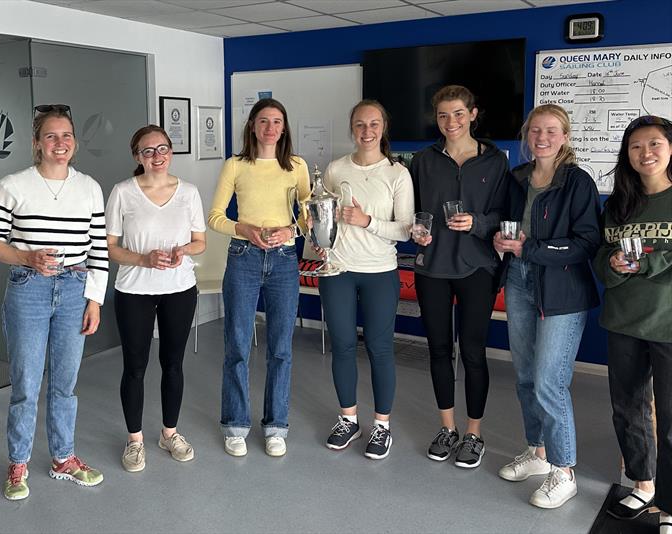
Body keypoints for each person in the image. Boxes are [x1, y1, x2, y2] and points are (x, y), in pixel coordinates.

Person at [0, 104, 108, 500]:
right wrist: (26, 257)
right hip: (28, 287)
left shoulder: (89, 187)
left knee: (65, 384)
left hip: (74, 289)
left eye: (66, 135)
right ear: (36, 143)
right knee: (26, 383)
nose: (60, 143)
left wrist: (95, 301)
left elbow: (99, 248)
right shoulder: (13, 185)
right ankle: (18, 463)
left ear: (75, 142)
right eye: (51, 136)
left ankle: (62, 458)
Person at [494, 104, 601, 509]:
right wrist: (500, 242)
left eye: (551, 131)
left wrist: (531, 248)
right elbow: (506, 227)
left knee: (548, 382)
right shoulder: (517, 177)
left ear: (565, 136)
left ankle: (564, 470)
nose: (542, 137)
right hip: (520, 281)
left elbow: (587, 243)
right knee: (523, 376)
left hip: (563, 291)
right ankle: (537, 453)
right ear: (527, 135)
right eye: (536, 130)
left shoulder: (577, 182)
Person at [410, 85, 509, 469]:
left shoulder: (495, 161)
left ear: (473, 114)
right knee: (437, 350)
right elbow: (412, 210)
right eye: (442, 115)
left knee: (473, 353)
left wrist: (479, 222)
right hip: (432, 267)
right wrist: (416, 230)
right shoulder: (422, 160)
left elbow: (505, 213)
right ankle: (447, 428)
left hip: (477, 267)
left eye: (458, 114)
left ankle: (473, 433)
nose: (450, 122)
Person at [208, 98, 310, 457]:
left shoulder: (297, 166)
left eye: (277, 121)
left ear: (284, 127)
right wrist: (243, 228)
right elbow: (215, 217)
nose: (270, 127)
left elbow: (309, 216)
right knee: (237, 345)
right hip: (243, 257)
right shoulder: (235, 165)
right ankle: (235, 424)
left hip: (283, 260)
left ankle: (275, 426)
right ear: (252, 126)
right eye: (263, 121)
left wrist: (291, 231)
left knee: (281, 348)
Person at [106, 125, 206, 472]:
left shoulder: (189, 192)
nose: (157, 156)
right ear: (137, 156)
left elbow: (200, 242)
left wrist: (182, 250)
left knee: (173, 364)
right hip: (134, 290)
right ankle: (135, 441)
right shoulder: (122, 192)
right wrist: (144, 259)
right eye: (148, 151)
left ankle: (169, 433)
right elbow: (111, 249)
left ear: (170, 152)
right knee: (135, 367)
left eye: (162, 148)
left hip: (179, 288)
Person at [320, 100, 414, 459]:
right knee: (342, 345)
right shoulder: (335, 169)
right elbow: (322, 216)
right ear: (352, 128)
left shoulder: (397, 174)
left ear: (383, 127)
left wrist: (367, 221)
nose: (367, 131)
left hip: (379, 272)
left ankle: (382, 426)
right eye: (360, 124)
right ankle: (348, 419)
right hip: (339, 270)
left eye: (374, 124)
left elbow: (405, 230)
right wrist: (318, 237)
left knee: (380, 348)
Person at [592, 115, 672, 531]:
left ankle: (671, 505)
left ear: (670, 148)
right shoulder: (618, 204)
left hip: (668, 324)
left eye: (655, 144)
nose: (646, 153)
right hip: (623, 321)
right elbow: (603, 262)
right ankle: (643, 484)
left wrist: (647, 261)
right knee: (628, 410)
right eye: (637, 146)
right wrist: (617, 265)